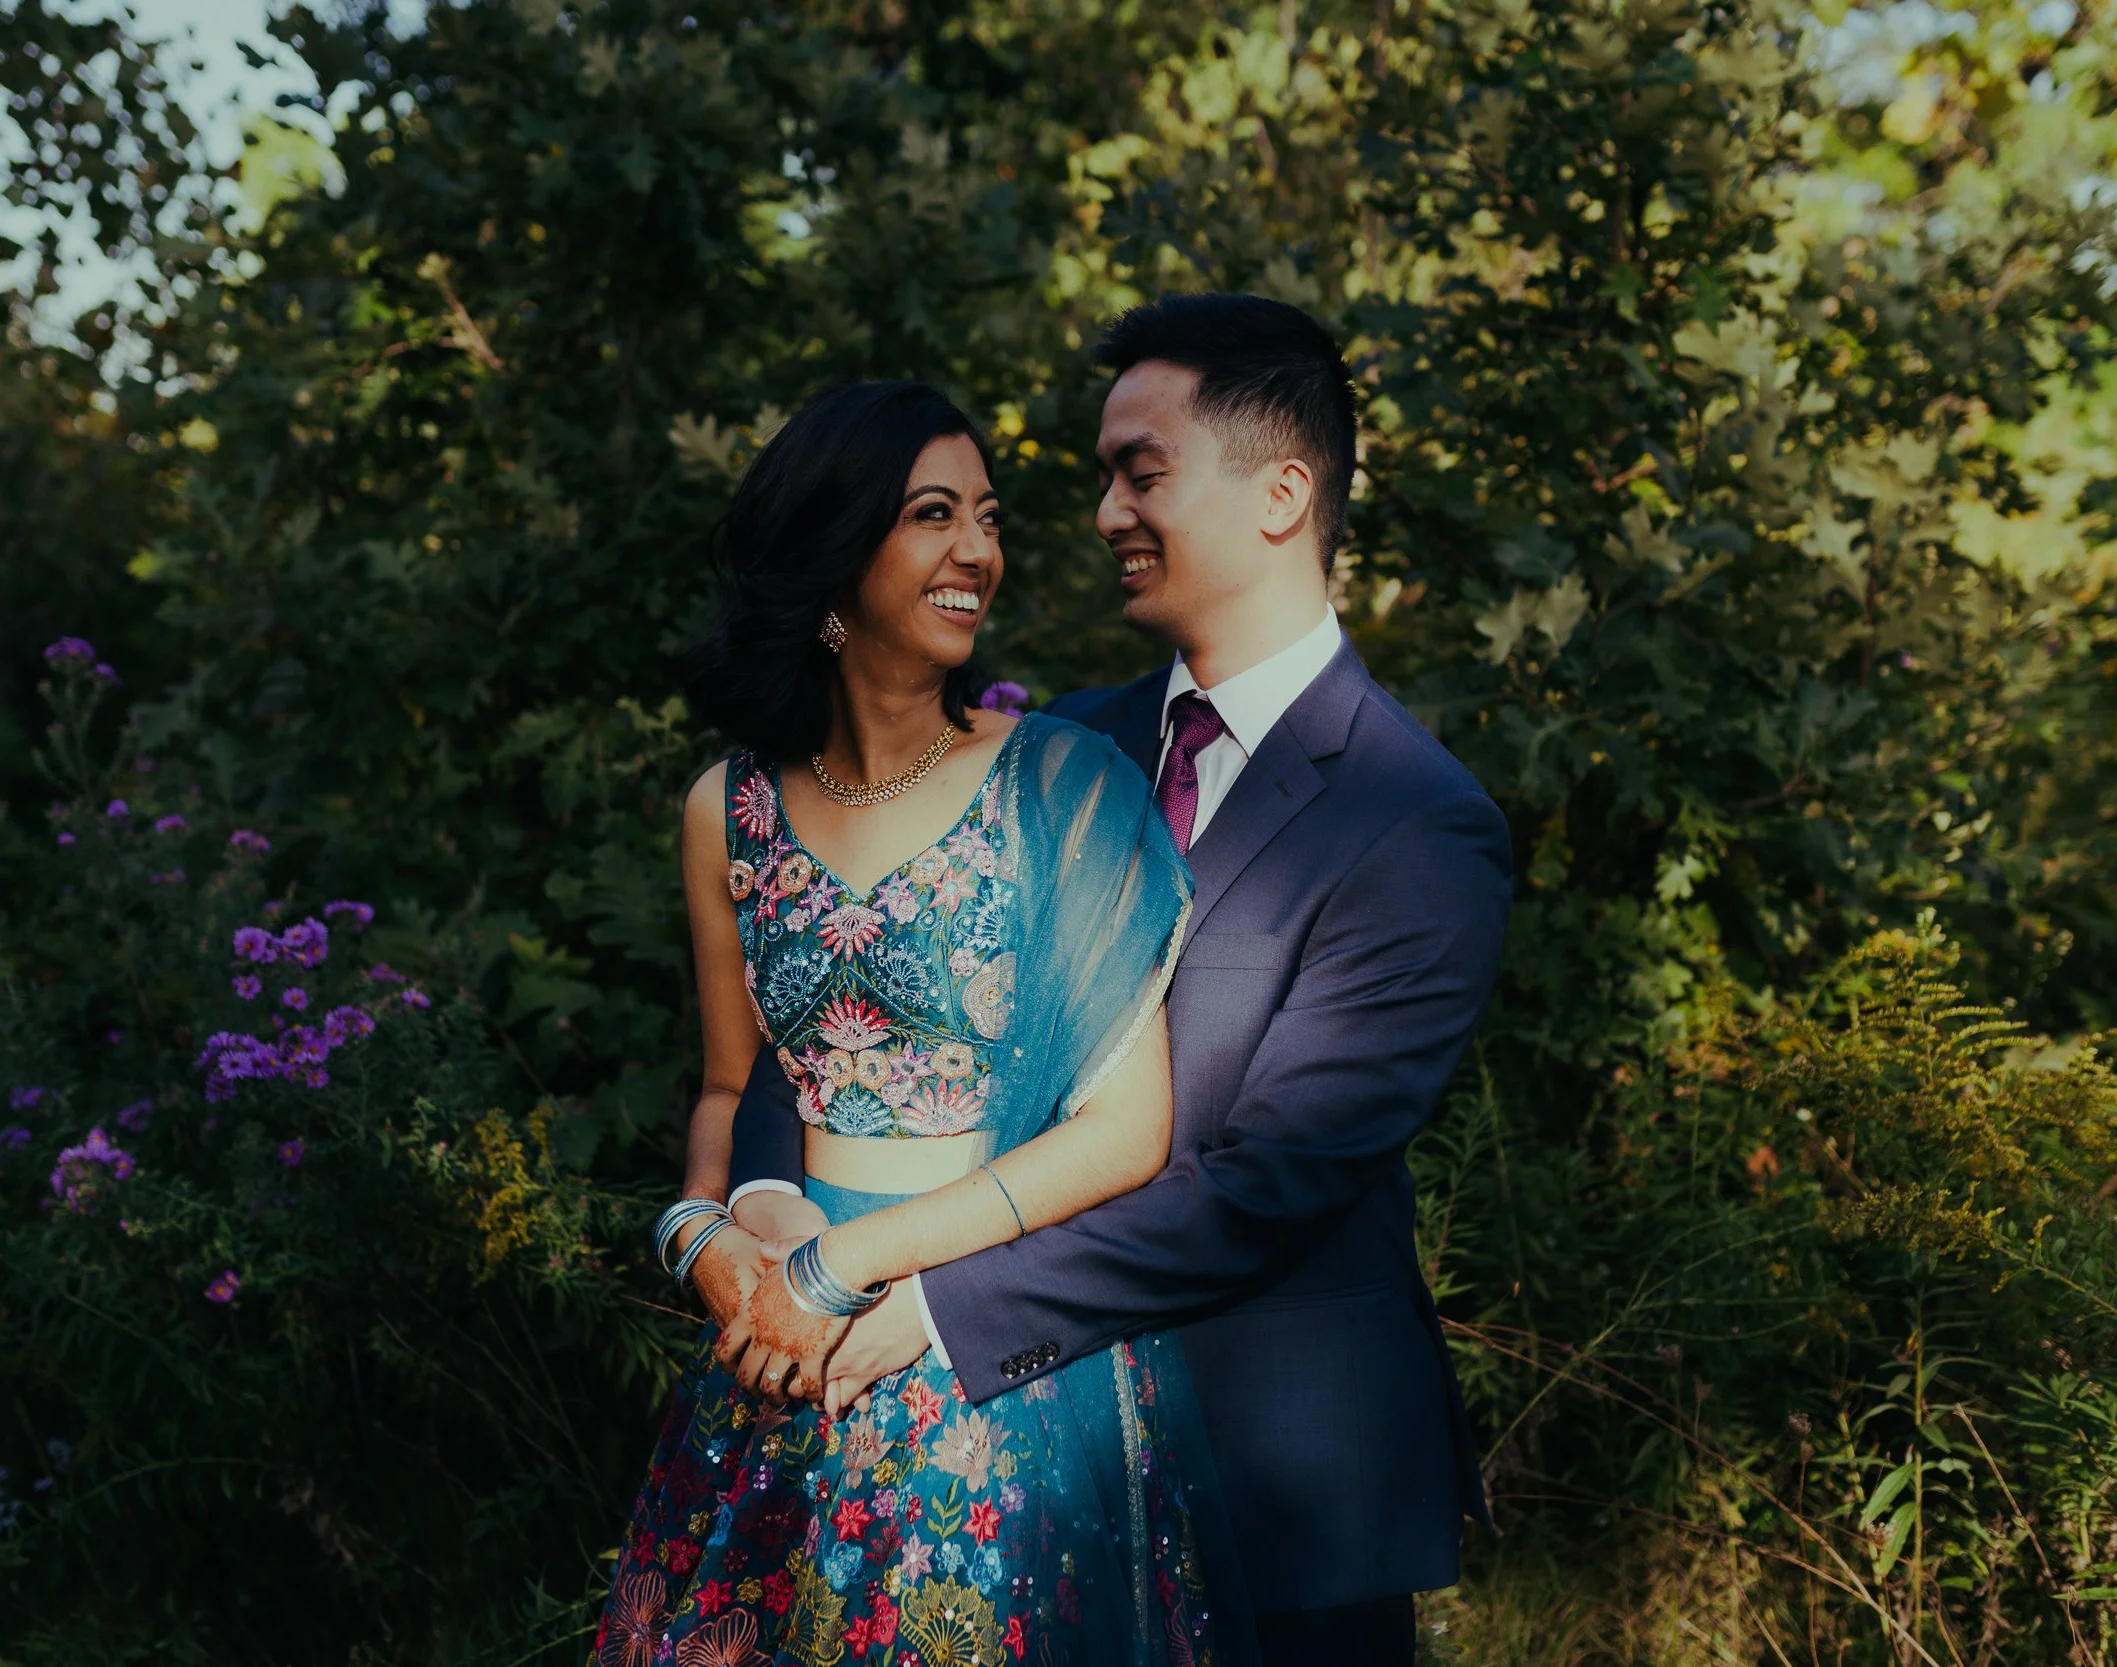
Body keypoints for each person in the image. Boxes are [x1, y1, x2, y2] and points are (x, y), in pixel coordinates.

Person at [726, 296, 1513, 1667]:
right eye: (1102, 476)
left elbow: (1260, 1185)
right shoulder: (1043, 755)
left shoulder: (1413, 821)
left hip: (1277, 1484)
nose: (1103, 512)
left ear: (1282, 494)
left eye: (1141, 471)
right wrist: (758, 1221)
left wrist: (932, 1309)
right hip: (1000, 1466)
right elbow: (830, 1008)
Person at [592, 379, 1246, 1667]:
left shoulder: (1062, 787)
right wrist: (700, 1234)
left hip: (986, 1337)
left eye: (987, 518)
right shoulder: (727, 810)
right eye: (931, 516)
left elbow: (1127, 1133)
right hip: (781, 1341)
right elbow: (731, 1089)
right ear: (837, 561)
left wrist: (854, 1267)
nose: (978, 552)